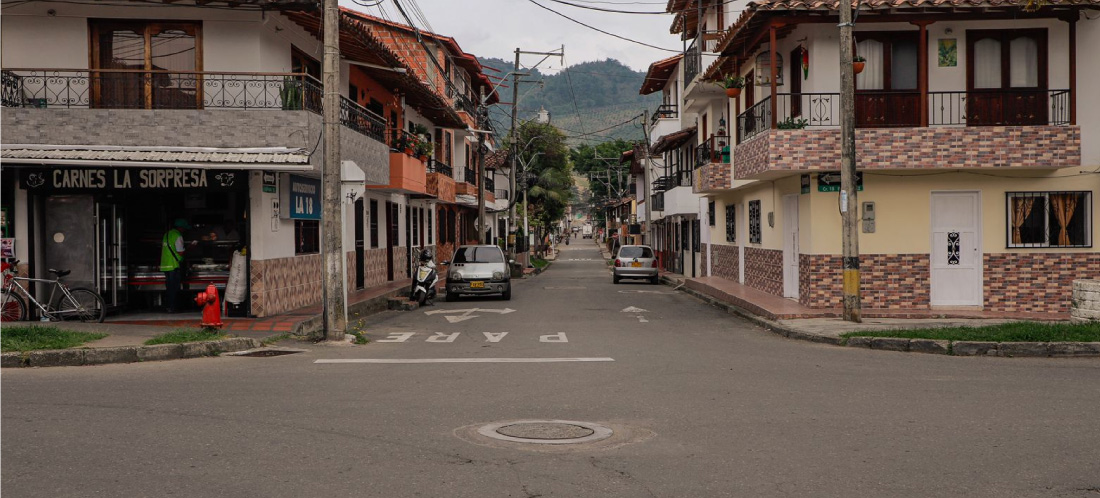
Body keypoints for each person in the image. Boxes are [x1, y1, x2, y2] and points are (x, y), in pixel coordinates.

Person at [160, 218, 197, 313]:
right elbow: (180, 252)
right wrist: (190, 247)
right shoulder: (178, 236)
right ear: (180, 228)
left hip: (165, 265)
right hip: (173, 265)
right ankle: (172, 307)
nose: (184, 230)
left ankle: (168, 306)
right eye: (184, 228)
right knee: (174, 288)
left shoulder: (167, 234)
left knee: (169, 287)